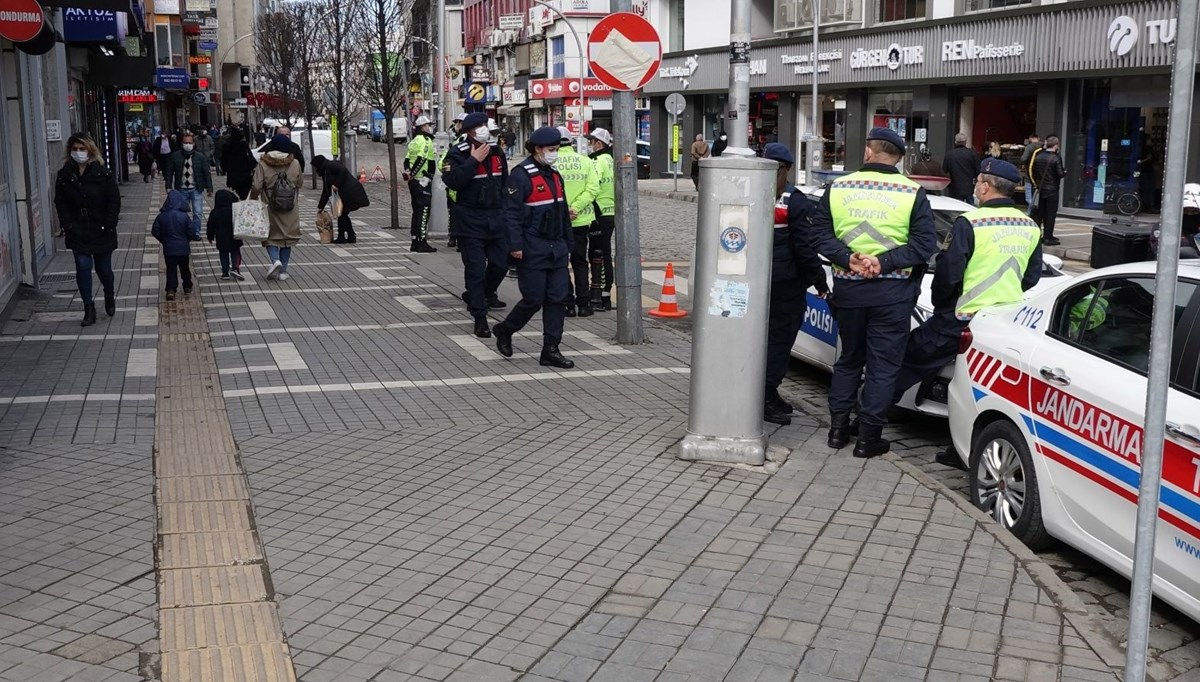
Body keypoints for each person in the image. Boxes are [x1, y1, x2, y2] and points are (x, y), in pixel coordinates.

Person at [812, 127, 938, 458]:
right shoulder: (913, 193)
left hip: (849, 292)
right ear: (897, 158)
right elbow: (925, 245)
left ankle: (837, 431)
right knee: (883, 366)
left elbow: (821, 235)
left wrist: (848, 258)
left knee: (850, 359)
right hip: (893, 295)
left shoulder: (838, 187)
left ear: (869, 152)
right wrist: (882, 262)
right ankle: (868, 438)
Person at [892, 158, 1042, 404]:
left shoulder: (970, 222)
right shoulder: (1030, 225)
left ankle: (866, 423)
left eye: (978, 182)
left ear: (986, 186)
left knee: (904, 361)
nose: (975, 187)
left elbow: (948, 273)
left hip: (959, 319)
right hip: (1002, 319)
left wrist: (943, 307)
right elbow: (1032, 276)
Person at [492, 126, 575, 369]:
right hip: (532, 246)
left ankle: (551, 349)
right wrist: (515, 245)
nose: (554, 154)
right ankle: (505, 329)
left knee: (557, 299)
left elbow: (562, 211)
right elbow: (511, 215)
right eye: (551, 150)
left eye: (556, 150)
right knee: (534, 299)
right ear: (537, 149)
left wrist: (568, 243)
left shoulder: (554, 175)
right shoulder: (521, 175)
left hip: (556, 247)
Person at [762, 143, 829, 426]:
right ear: (787, 168)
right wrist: (820, 280)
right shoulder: (795, 200)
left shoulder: (749, 192)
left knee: (758, 340)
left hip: (755, 283)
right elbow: (805, 248)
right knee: (778, 341)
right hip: (785, 287)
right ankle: (765, 396)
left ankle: (765, 393)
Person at [443, 112, 510, 338]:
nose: (484, 129)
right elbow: (452, 181)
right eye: (479, 126)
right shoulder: (457, 153)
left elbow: (505, 185)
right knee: (475, 269)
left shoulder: (497, 151)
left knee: (501, 264)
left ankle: (481, 295)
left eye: (485, 125)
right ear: (470, 131)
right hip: (470, 220)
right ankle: (480, 317)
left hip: (496, 218)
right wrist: (474, 161)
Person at [54, 134, 120, 326]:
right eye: (75, 149)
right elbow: (60, 202)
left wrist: (108, 224)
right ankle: (88, 308)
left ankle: (109, 292)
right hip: (78, 229)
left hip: (101, 228)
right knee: (83, 266)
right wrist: (68, 225)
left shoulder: (102, 174)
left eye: (82, 149)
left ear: (90, 151)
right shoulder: (65, 175)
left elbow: (113, 201)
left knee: (103, 268)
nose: (78, 153)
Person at [554, 127, 599, 318]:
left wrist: (565, 211)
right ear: (571, 142)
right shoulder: (586, 161)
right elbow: (593, 188)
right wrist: (576, 208)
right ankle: (584, 304)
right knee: (580, 262)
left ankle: (568, 305)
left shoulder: (551, 163)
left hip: (558, 222)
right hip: (580, 221)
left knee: (561, 264)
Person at [249, 135, 302, 281]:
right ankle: (283, 271)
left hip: (269, 206)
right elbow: (300, 183)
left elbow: (257, 186)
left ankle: (274, 260)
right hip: (290, 206)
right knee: (287, 238)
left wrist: (253, 199)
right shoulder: (295, 163)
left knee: (270, 236)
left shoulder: (263, 164)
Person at [585, 128, 616, 312]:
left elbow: (593, 187)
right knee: (605, 253)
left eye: (592, 141)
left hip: (599, 213)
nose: (590, 145)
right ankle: (604, 296)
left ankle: (599, 293)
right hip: (610, 212)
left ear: (599, 143)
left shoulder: (597, 161)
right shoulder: (610, 159)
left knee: (596, 253)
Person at [163, 133, 213, 239]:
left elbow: (206, 173)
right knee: (181, 213)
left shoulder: (200, 157)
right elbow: (169, 172)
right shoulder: (175, 156)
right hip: (181, 189)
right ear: (182, 143)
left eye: (190, 143)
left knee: (198, 212)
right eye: (186, 143)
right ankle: (184, 232)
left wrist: (209, 188)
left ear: (193, 143)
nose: (188, 145)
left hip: (196, 189)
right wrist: (168, 186)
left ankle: (196, 232)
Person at [312, 154, 370, 244]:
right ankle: (349, 236)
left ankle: (344, 236)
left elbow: (342, 170)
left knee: (342, 214)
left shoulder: (331, 165)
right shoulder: (325, 172)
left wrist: (336, 184)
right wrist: (321, 206)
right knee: (342, 214)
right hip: (344, 194)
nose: (315, 170)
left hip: (350, 193)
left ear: (319, 165)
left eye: (315, 167)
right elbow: (325, 190)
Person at [152, 190, 195, 300]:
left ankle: (171, 289)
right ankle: (187, 285)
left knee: (171, 269)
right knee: (184, 267)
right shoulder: (184, 216)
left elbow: (155, 231)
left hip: (169, 248)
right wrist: (186, 240)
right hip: (183, 248)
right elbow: (192, 232)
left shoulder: (162, 217)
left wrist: (163, 240)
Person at [404, 115, 438, 253]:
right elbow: (422, 159)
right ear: (423, 127)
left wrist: (408, 172)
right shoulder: (425, 141)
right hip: (422, 181)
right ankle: (422, 242)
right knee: (424, 212)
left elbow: (407, 160)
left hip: (414, 182)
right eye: (428, 125)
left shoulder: (413, 141)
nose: (430, 127)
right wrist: (412, 174)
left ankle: (414, 241)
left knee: (416, 212)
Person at [1029, 134, 1066, 246]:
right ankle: (1048, 237)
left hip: (1041, 189)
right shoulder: (1056, 158)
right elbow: (1060, 174)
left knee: (1039, 214)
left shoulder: (1039, 156)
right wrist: (1064, 172)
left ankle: (1037, 235)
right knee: (1050, 214)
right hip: (1052, 190)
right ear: (1056, 145)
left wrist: (1037, 183)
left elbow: (1033, 172)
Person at [441, 117, 469, 250]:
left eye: (459, 123)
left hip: (461, 185)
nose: (456, 125)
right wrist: (447, 176)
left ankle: (457, 238)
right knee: (454, 213)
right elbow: (446, 161)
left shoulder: (463, 140)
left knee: (459, 214)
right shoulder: (456, 139)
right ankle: (454, 237)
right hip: (454, 185)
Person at [206, 188, 244, 281]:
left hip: (221, 238)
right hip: (234, 237)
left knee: (223, 254)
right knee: (235, 252)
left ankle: (225, 272)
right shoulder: (233, 211)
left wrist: (210, 236)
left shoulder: (214, 212)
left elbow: (210, 225)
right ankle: (235, 268)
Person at [942, 132, 979, 204]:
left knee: (955, 207)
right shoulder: (972, 153)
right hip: (969, 187)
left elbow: (944, 170)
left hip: (954, 187)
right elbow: (978, 169)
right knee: (970, 208)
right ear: (965, 142)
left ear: (955, 142)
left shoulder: (949, 154)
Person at [222, 128, 256, 200]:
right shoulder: (244, 147)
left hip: (232, 176)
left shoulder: (227, 148)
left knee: (236, 194)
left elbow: (223, 163)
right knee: (245, 196)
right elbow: (251, 160)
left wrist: (225, 170)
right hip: (245, 175)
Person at [1018, 134, 1041, 215]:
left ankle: (1031, 213)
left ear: (1030, 139)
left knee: (1029, 198)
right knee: (1037, 196)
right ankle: (1035, 212)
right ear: (1038, 139)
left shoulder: (1029, 147)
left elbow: (1023, 159)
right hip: (1039, 176)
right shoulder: (1042, 147)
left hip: (1029, 175)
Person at [1137, 137, 1159, 213]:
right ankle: (1147, 206)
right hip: (1146, 171)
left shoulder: (1147, 149)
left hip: (1147, 170)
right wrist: (1147, 159)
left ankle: (1147, 205)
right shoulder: (1144, 149)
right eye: (1149, 139)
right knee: (1147, 189)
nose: (1150, 141)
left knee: (1148, 189)